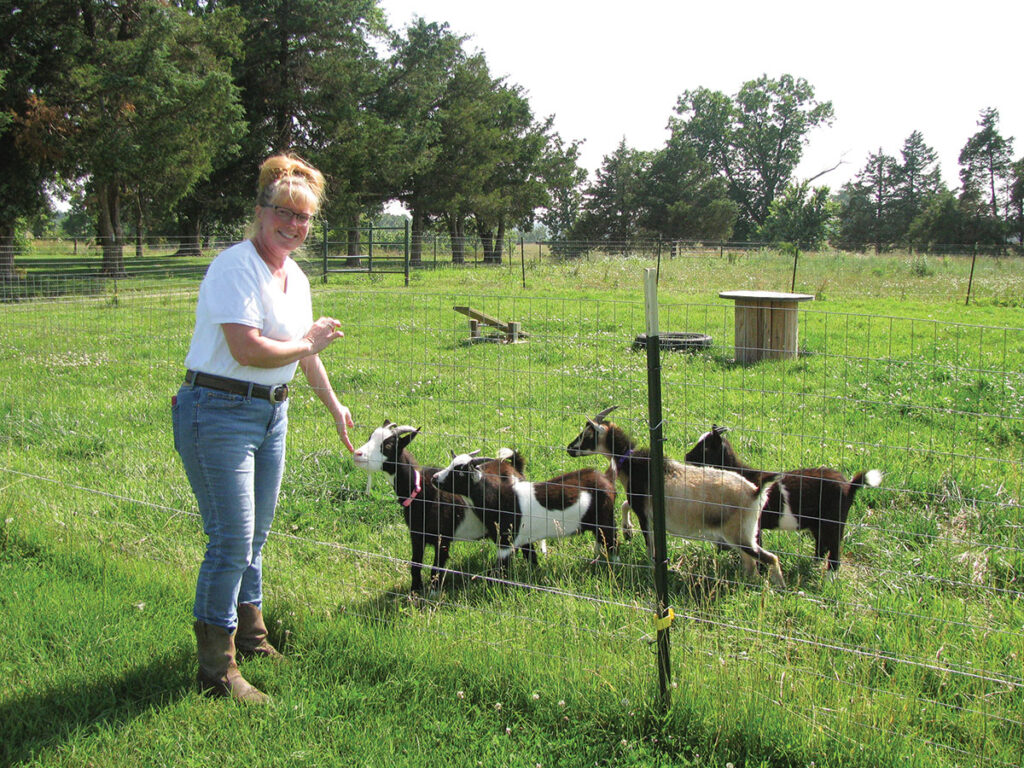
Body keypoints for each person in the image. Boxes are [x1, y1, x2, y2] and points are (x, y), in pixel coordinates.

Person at [172, 153, 354, 703]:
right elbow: (248, 348)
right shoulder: (235, 266)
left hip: (271, 413)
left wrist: (333, 403)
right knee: (231, 540)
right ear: (260, 211)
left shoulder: (293, 276)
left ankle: (250, 635)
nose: (294, 226)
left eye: (304, 218)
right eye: (284, 213)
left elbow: (302, 350)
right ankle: (216, 669)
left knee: (255, 537)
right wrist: (309, 343)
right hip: (217, 410)